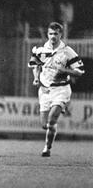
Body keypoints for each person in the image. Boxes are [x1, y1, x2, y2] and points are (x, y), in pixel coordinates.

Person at [28, 22, 84, 157]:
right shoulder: (41, 50)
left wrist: (65, 70)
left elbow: (80, 71)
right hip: (45, 90)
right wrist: (36, 78)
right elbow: (35, 65)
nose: (53, 36)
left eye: (56, 33)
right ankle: (49, 138)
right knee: (44, 125)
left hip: (61, 90)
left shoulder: (67, 52)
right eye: (51, 33)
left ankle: (47, 148)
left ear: (61, 34)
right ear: (48, 34)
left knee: (52, 119)